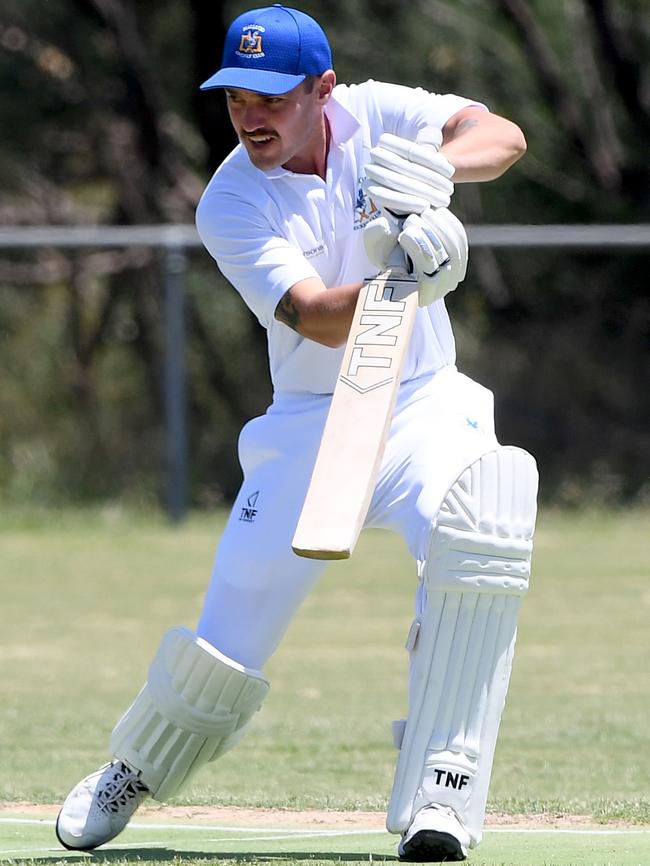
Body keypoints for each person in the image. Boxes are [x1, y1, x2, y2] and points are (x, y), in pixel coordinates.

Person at [55, 5, 538, 861]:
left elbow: (501, 134)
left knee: (481, 526)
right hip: (312, 423)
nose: (250, 116)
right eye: (236, 97)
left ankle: (441, 792)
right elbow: (315, 317)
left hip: (425, 403)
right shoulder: (229, 200)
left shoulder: (378, 113)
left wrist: (434, 166)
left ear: (324, 90)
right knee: (227, 636)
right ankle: (135, 765)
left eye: (272, 97)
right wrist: (415, 283)